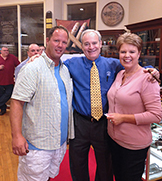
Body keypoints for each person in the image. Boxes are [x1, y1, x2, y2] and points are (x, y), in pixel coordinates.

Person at [28, 29, 159, 181]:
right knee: (77, 163)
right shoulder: (71, 64)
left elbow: (134, 66)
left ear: (101, 44)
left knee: (105, 165)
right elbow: (52, 63)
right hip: (80, 124)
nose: (91, 47)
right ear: (82, 47)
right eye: (87, 44)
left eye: (94, 43)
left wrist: (153, 70)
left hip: (104, 124)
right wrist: (37, 58)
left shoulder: (115, 65)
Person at [9, 26, 74, 181]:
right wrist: (16, 135)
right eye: (56, 40)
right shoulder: (32, 68)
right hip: (37, 145)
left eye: (64, 42)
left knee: (50, 177)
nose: (60, 45)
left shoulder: (64, 70)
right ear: (47, 41)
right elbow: (17, 102)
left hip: (58, 142)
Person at [106, 32, 162, 181]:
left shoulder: (147, 78)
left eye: (132, 51)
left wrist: (123, 118)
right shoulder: (120, 74)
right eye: (123, 51)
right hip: (114, 140)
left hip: (133, 146)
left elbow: (157, 115)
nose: (127, 55)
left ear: (139, 53)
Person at [0, 47, 20, 115]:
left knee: (8, 95)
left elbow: (19, 66)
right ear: (1, 51)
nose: (6, 52)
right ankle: (3, 110)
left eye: (7, 50)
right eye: (4, 50)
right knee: (1, 96)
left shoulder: (12, 57)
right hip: (0, 82)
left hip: (10, 81)